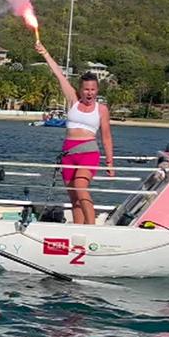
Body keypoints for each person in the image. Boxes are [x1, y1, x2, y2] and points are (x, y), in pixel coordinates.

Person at [35, 41, 114, 224]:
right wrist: (45, 53)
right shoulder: (73, 101)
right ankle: (78, 230)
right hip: (69, 153)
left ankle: (92, 227)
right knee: (73, 197)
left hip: (89, 152)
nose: (89, 92)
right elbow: (59, 75)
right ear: (80, 89)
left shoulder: (101, 109)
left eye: (93, 89)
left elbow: (106, 137)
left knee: (81, 187)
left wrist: (110, 162)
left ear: (97, 90)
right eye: (86, 89)